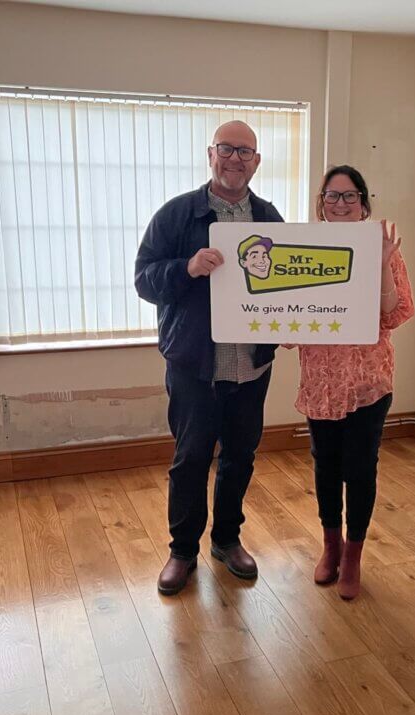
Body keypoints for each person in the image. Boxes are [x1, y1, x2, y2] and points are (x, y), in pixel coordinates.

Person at [135, 121, 284, 595]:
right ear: (210, 154)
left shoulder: (270, 218)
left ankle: (226, 540)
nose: (235, 158)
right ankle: (182, 551)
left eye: (245, 151)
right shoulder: (177, 215)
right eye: (227, 149)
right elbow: (143, 279)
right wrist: (187, 268)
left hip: (251, 367)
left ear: (256, 161)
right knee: (191, 459)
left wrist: (294, 326)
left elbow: (285, 288)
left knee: (240, 457)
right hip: (194, 365)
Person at [295, 165, 415, 599]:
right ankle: (330, 547)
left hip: (368, 380)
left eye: (349, 196)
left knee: (360, 469)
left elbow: (394, 314)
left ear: (363, 203)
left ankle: (353, 555)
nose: (340, 203)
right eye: (332, 196)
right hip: (320, 379)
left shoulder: (383, 247)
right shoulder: (303, 248)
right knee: (325, 465)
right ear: (321, 203)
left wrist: (383, 265)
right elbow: (292, 314)